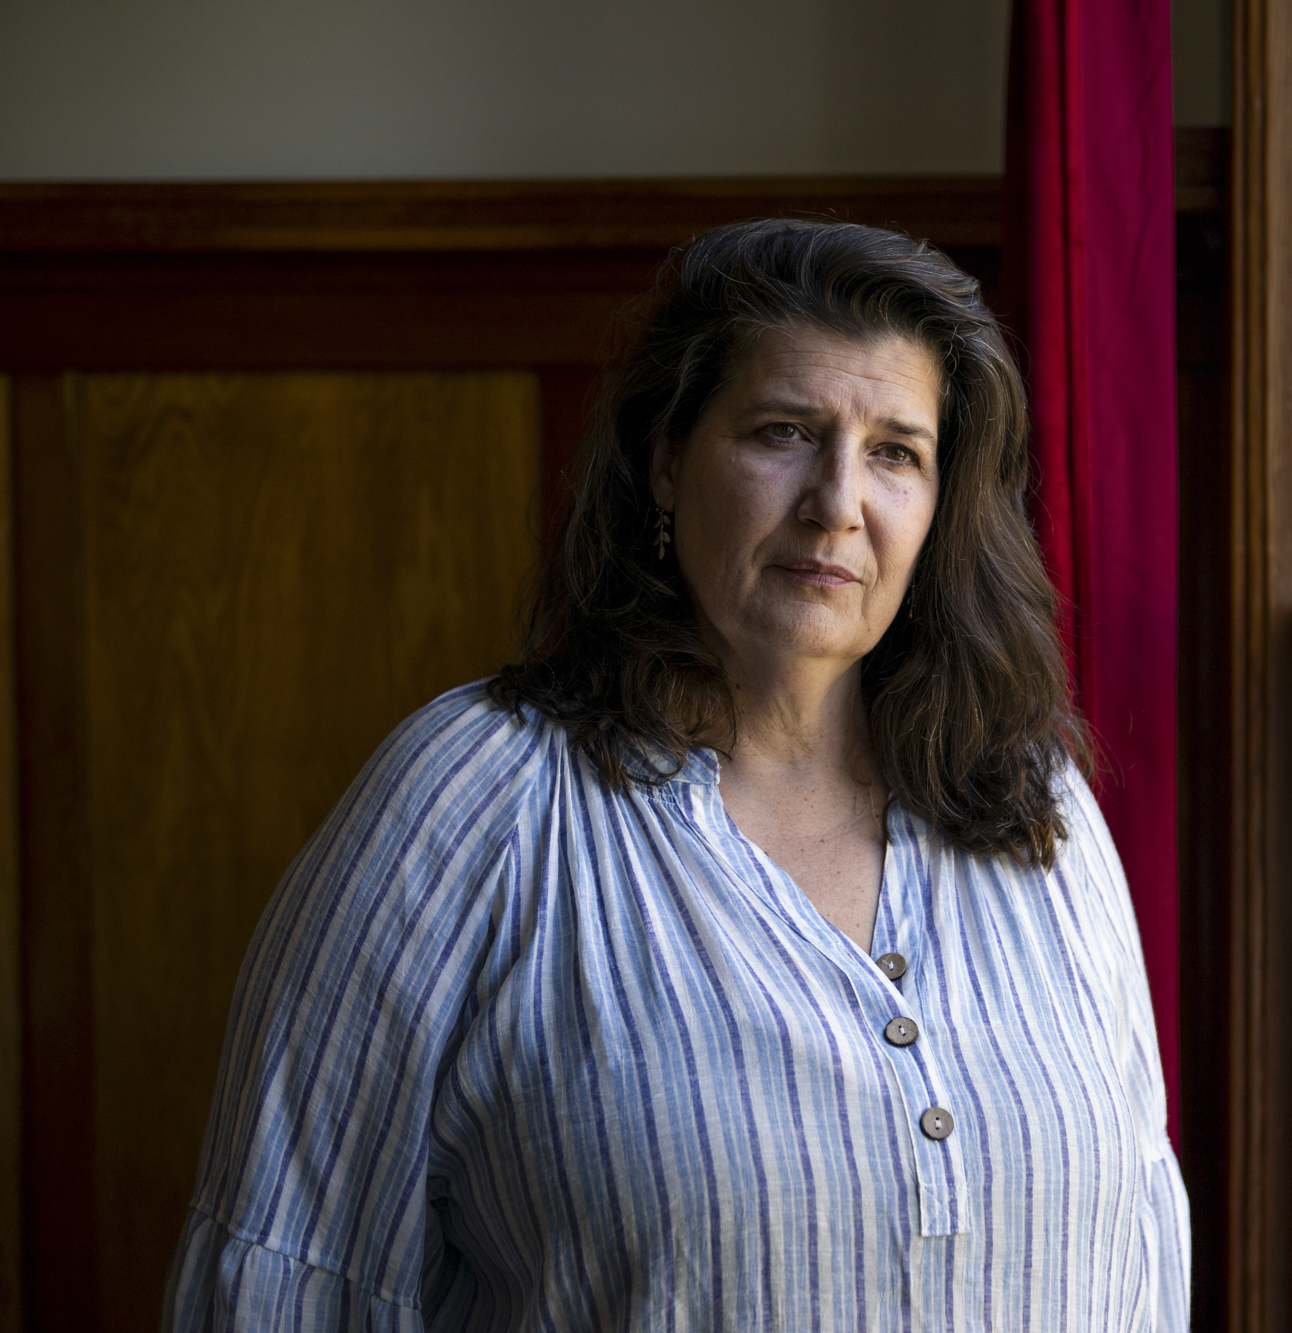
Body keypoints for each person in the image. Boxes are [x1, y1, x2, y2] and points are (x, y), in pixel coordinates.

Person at [163, 218, 1189, 1331]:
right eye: (784, 431)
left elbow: (1141, 1243)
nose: (836, 500)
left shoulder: (1037, 809)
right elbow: (283, 1277)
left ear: (941, 507)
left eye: (895, 451)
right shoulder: (474, 806)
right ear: (665, 457)